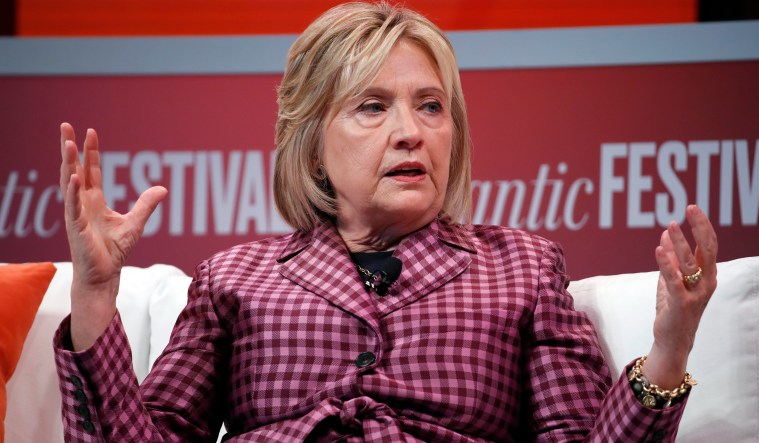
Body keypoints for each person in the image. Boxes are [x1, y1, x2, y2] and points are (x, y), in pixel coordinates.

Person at [54, 2, 718, 442]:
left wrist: (668, 353)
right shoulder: (235, 278)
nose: (410, 132)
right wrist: (92, 295)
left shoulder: (523, 268)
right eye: (372, 107)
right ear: (312, 141)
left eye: (430, 106)